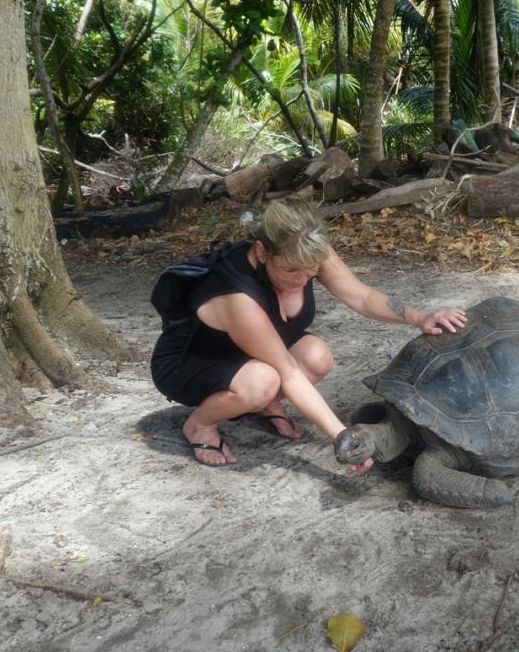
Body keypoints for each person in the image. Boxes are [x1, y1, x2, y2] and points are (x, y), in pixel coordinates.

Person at [150, 198, 466, 468]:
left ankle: (262, 405)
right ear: (261, 251)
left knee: (317, 357)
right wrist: (343, 437)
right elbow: (288, 372)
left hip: (250, 351)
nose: (302, 280)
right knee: (264, 381)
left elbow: (362, 296)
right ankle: (200, 424)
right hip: (192, 361)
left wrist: (418, 317)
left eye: (310, 271)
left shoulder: (306, 251)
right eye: (290, 270)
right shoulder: (238, 298)